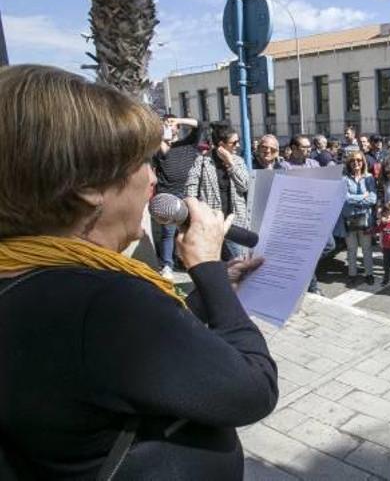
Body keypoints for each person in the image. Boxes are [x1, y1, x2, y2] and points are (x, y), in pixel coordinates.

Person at [0, 64, 276, 479]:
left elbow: (120, 360)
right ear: (87, 186)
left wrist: (209, 292)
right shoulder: (102, 303)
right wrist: (206, 265)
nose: (152, 176)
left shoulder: (27, 275)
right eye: (139, 161)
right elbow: (254, 389)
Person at [185, 122, 250, 260]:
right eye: (234, 142)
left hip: (235, 221)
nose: (238, 145)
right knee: (220, 261)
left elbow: (244, 185)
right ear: (221, 144)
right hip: (212, 222)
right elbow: (190, 189)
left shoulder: (238, 161)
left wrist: (230, 164)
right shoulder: (202, 161)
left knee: (238, 260)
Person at [153, 116, 204, 279]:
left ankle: (187, 260)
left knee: (189, 229)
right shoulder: (159, 147)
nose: (168, 126)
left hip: (188, 193)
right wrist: (162, 135)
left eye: (170, 124)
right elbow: (164, 153)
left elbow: (200, 125)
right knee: (168, 232)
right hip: (167, 193)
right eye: (165, 124)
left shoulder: (188, 143)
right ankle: (167, 264)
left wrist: (179, 120)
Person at [335, 151, 378, 286]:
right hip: (349, 220)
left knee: (366, 248)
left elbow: (373, 199)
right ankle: (352, 274)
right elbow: (345, 198)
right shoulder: (344, 179)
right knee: (351, 249)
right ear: (349, 163)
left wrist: (358, 199)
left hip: (365, 219)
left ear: (363, 162)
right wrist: (362, 197)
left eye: (359, 160)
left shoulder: (369, 178)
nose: (356, 163)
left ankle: (369, 274)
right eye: (353, 160)